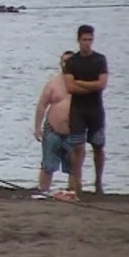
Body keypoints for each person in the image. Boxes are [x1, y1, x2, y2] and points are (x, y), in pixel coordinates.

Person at [63, 24, 109, 196]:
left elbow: (102, 84)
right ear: (78, 40)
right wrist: (91, 86)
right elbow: (69, 87)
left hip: (95, 109)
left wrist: (80, 83)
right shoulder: (72, 62)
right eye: (84, 40)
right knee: (78, 147)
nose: (87, 43)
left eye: (90, 40)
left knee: (98, 146)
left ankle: (98, 182)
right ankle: (77, 183)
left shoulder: (100, 60)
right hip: (78, 110)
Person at [33, 51, 76, 196]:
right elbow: (42, 105)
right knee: (48, 165)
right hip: (52, 128)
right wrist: (37, 128)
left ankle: (72, 192)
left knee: (73, 165)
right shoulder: (53, 82)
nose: (66, 64)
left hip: (74, 130)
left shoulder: (82, 83)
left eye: (69, 61)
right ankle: (43, 191)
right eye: (63, 61)